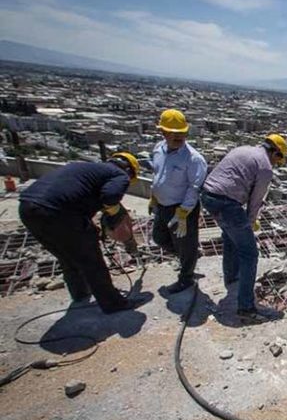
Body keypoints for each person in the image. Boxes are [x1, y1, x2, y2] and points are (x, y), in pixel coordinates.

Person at [18, 153, 141, 313]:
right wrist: (114, 211)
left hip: (28, 209)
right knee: (92, 260)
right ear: (129, 171)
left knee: (66, 255)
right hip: (58, 213)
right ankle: (113, 304)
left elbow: (74, 195)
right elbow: (110, 196)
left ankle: (80, 294)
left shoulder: (85, 168)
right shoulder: (119, 175)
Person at [200, 134, 287, 319]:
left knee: (231, 239)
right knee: (250, 254)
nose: (276, 164)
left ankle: (232, 278)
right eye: (278, 160)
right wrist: (250, 221)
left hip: (208, 196)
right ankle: (246, 307)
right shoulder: (265, 167)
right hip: (227, 203)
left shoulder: (243, 150)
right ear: (275, 153)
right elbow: (256, 201)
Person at [149, 109, 207, 294]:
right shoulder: (158, 149)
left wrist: (183, 212)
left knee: (185, 242)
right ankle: (188, 258)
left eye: (182, 133)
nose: (179, 137)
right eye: (174, 133)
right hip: (163, 204)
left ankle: (186, 278)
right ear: (163, 133)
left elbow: (194, 187)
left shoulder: (193, 159)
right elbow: (157, 174)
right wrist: (154, 197)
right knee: (159, 237)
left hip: (182, 208)